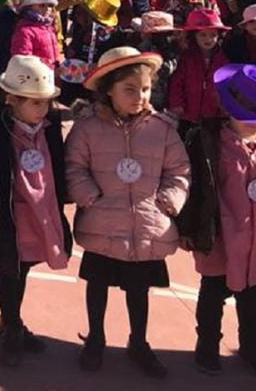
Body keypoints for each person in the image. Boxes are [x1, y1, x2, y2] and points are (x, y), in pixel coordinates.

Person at [65, 47, 190, 376]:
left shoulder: (162, 128)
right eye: (130, 90)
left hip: (146, 224)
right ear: (109, 90)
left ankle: (139, 341)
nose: (140, 96)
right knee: (98, 283)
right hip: (103, 221)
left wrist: (168, 201)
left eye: (145, 89)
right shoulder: (87, 127)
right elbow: (75, 166)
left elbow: (179, 170)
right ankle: (95, 338)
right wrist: (89, 196)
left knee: (139, 288)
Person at [0, 56, 71, 367]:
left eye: (45, 102)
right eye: (34, 103)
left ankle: (11, 322)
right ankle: (12, 327)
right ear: (12, 100)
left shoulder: (49, 128)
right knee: (10, 270)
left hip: (40, 211)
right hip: (12, 215)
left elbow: (58, 166)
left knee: (25, 268)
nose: (42, 109)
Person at [176, 63, 256, 375]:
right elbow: (193, 186)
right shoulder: (207, 141)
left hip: (253, 239)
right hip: (220, 233)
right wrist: (189, 227)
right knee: (213, 293)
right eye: (246, 116)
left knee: (252, 299)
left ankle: (250, 346)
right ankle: (207, 345)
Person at [167, 8, 230, 139]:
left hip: (213, 115)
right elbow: (176, 82)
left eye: (213, 35)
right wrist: (176, 104)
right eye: (203, 35)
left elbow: (227, 87)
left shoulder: (223, 60)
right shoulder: (186, 57)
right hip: (187, 114)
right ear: (194, 35)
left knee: (210, 148)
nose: (208, 39)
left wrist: (225, 107)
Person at [9, 0, 61, 69]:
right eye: (42, 5)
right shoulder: (24, 31)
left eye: (50, 5)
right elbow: (23, 61)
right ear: (30, 7)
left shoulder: (48, 27)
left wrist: (57, 65)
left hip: (49, 76)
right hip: (35, 79)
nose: (47, 9)